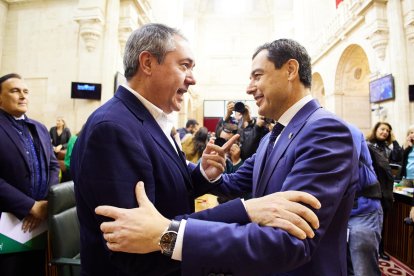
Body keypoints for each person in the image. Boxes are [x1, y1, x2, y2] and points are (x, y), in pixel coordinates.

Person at [71, 24, 321, 276]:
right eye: (184, 66)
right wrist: (246, 211)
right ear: (147, 63)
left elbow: (163, 196)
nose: (192, 79)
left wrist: (202, 174)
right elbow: (133, 245)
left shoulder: (149, 120)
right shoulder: (113, 128)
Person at [0, 73, 60, 276]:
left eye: (25, 91)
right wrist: (29, 206)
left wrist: (44, 203)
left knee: (36, 269)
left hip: (40, 220)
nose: (22, 96)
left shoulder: (40, 128)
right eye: (15, 91)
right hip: (7, 221)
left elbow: (54, 166)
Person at [347, 123, 383, 276]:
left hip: (363, 211)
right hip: (343, 213)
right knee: (345, 266)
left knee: (364, 269)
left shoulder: (347, 130)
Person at [366, 121, 403, 260]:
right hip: (372, 190)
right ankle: (374, 251)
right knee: (372, 224)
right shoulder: (368, 146)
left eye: (388, 130)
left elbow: (398, 159)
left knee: (382, 224)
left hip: (385, 191)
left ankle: (380, 250)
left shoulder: (387, 147)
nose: (385, 132)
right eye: (382, 129)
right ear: (375, 130)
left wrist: (394, 140)